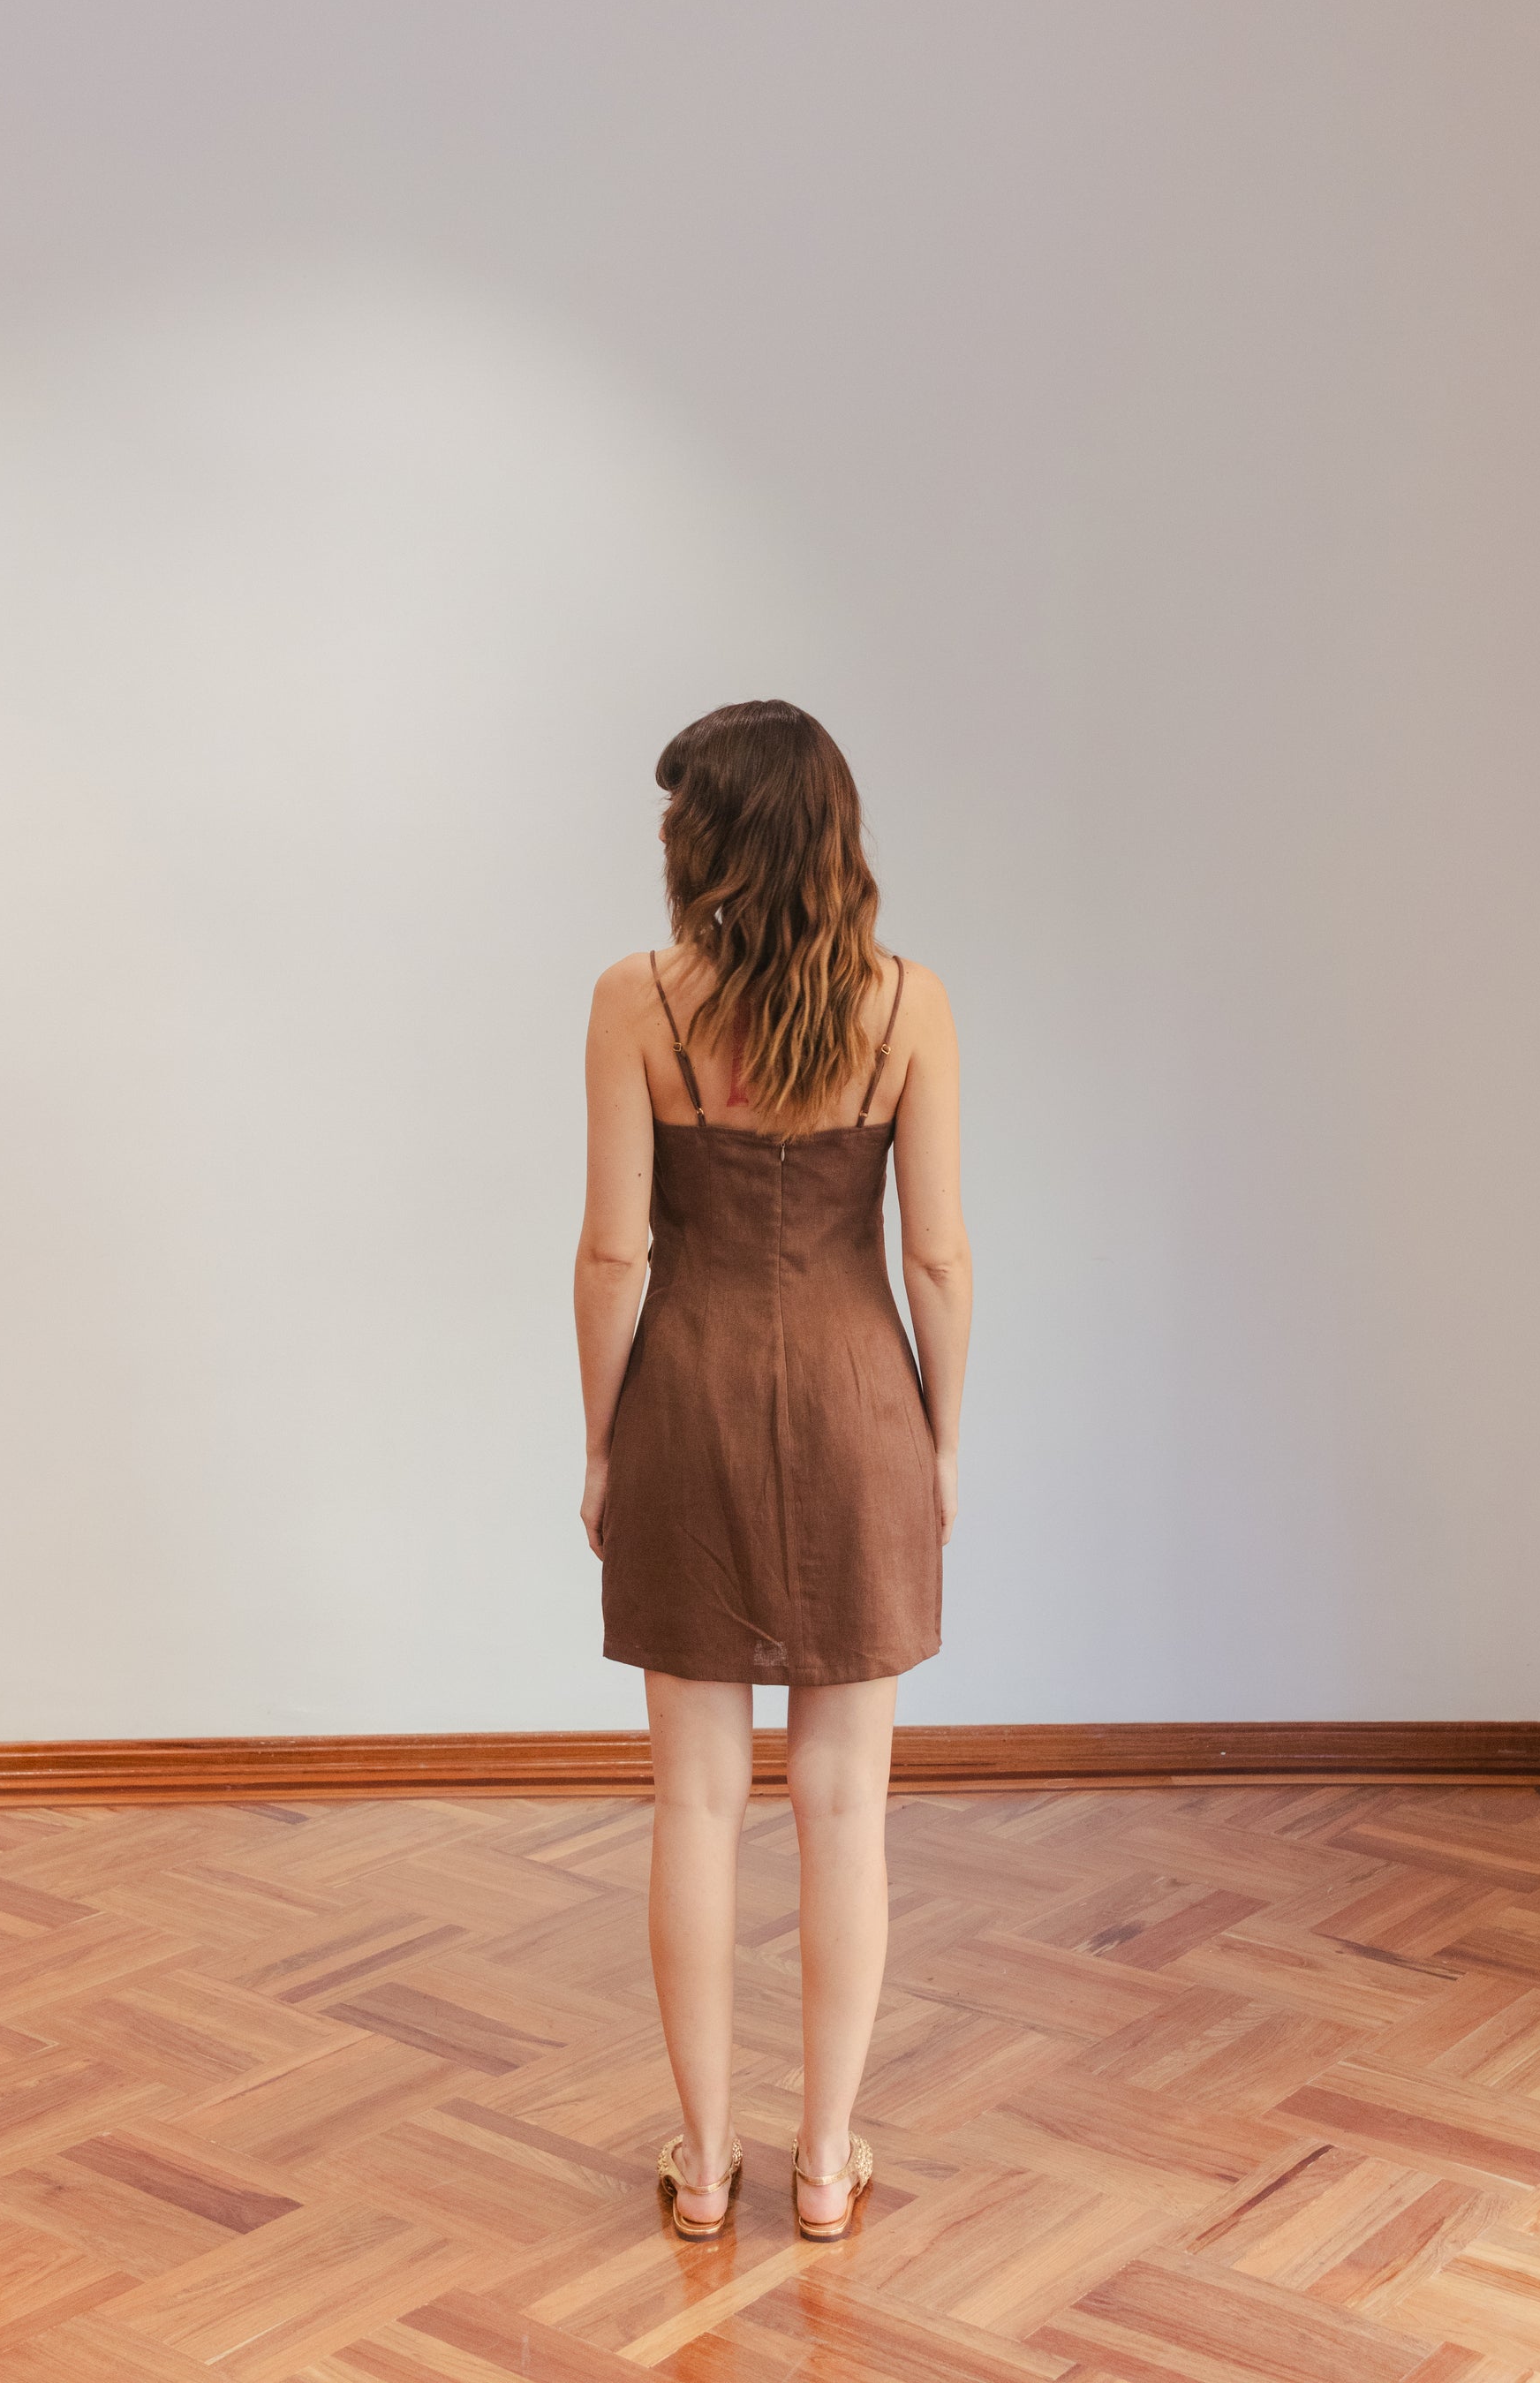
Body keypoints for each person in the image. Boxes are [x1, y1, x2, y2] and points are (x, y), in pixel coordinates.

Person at [573, 700, 972, 2243]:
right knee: (845, 1806)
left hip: (688, 1398)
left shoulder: (636, 1001)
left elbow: (614, 1254)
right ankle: (823, 2164)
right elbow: (935, 1258)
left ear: (719, 839)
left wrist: (599, 1438)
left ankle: (702, 2165)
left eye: (682, 816)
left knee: (694, 1803)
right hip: (863, 1410)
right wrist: (943, 1440)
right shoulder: (910, 1007)